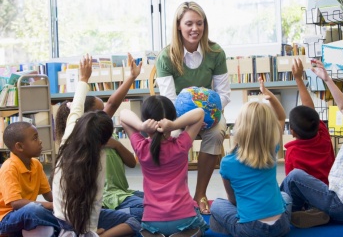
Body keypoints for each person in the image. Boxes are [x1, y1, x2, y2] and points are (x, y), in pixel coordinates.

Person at [52, 54, 141, 236]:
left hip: (65, 225)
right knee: (143, 217)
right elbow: (95, 204)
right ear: (104, 139)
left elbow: (77, 110)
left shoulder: (68, 140)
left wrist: (83, 79)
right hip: (87, 228)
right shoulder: (98, 156)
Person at [155, 1, 230, 215]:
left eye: (199, 23)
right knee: (173, 135)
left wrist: (208, 115)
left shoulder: (216, 53)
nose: (194, 29)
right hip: (177, 115)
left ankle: (201, 194)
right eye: (189, 23)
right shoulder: (166, 57)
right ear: (178, 25)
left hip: (211, 113)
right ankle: (177, 196)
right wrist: (190, 121)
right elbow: (168, 100)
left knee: (216, 133)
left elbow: (224, 94)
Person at [280, 59, 343, 228]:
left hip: (338, 203)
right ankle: (317, 212)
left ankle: (281, 215)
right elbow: (311, 110)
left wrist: (327, 79)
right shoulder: (325, 136)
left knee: (293, 177)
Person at [209, 77, 291, 237]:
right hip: (281, 226)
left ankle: (229, 228)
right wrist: (268, 95)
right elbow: (281, 117)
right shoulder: (271, 149)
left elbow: (233, 201)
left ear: (239, 127)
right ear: (269, 128)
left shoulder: (227, 162)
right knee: (285, 195)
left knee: (217, 205)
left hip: (251, 229)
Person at [120, 95, 209, 237]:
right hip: (183, 217)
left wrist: (140, 127)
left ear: (145, 119)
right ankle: (188, 232)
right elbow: (200, 113)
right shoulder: (181, 145)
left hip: (152, 220)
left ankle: (153, 233)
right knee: (202, 225)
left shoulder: (141, 147)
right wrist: (174, 125)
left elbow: (123, 115)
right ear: (172, 118)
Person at [0, 122, 60, 237]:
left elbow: (48, 194)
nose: (40, 141)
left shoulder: (36, 164)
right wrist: (52, 206)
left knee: (45, 209)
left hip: (25, 213)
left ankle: (66, 227)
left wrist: (63, 203)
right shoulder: (9, 168)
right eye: (35, 138)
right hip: (6, 218)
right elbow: (16, 203)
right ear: (20, 147)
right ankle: (70, 227)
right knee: (34, 210)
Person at [284, 58, 335, 185]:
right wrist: (299, 79)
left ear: (292, 132)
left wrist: (297, 77)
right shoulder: (324, 137)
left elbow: (292, 184)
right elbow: (310, 109)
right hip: (330, 191)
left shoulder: (292, 153)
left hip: (309, 201)